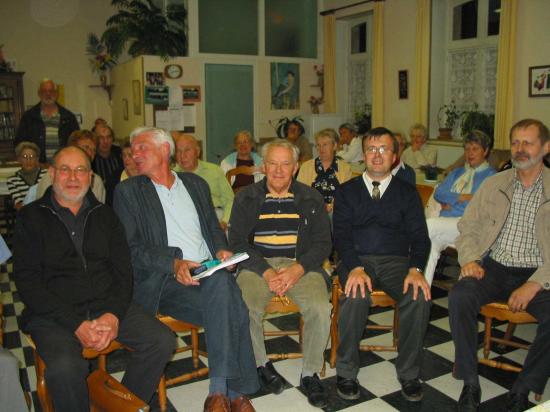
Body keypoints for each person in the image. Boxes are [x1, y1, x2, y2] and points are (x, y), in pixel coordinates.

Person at [13, 146, 175, 411]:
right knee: (67, 368)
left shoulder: (106, 216)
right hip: (53, 314)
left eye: (80, 170)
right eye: (65, 170)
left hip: (105, 304)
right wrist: (76, 323)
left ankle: (117, 405)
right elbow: (27, 282)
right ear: (52, 173)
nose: (73, 177)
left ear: (91, 177)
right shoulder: (30, 217)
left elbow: (124, 274)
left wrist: (112, 315)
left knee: (161, 340)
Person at [113, 127, 258, 412]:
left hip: (208, 271)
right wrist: (174, 263)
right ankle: (235, 393)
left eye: (142, 147)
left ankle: (219, 394)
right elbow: (132, 250)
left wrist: (220, 251)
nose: (134, 154)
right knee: (232, 303)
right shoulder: (128, 192)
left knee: (221, 287)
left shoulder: (195, 184)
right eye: (132, 150)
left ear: (164, 151)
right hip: (164, 280)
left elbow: (213, 230)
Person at [449, 118, 550, 412]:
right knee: (460, 296)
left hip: (538, 273)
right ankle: (470, 381)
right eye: (515, 142)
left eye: (527, 143)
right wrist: (470, 258)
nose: (519, 149)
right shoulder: (494, 184)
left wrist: (535, 283)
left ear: (545, 147)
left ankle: (524, 387)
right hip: (492, 267)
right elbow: (467, 226)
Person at [228, 139, 332, 409]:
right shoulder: (245, 197)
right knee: (246, 307)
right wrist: (265, 271)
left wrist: (297, 269)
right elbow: (237, 242)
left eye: (285, 164)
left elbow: (323, 243)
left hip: (301, 263)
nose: (278, 170)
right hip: (256, 264)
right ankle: (261, 365)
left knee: (321, 308)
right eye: (272, 163)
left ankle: (309, 373)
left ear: (296, 167)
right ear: (263, 166)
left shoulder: (311, 196)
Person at [332, 127, 431, 403]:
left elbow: (421, 238)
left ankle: (409, 373)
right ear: (363, 154)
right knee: (355, 294)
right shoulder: (346, 191)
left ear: (394, 156)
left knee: (418, 295)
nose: (377, 155)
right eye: (371, 149)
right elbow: (340, 235)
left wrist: (416, 270)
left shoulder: (407, 193)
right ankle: (347, 371)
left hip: (397, 262)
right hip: (356, 259)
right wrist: (353, 267)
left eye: (383, 149)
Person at [423, 131, 495, 285]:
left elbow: (478, 205)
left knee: (427, 227)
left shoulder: (491, 176)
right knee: (430, 247)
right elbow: (439, 193)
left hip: (469, 225)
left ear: (486, 151)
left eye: (475, 149)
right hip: (448, 224)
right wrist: (462, 197)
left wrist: (452, 203)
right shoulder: (457, 172)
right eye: (467, 149)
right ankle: (421, 296)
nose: (470, 153)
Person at [173, 133, 234, 230]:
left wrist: (225, 221)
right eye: (178, 151)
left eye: (187, 150)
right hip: (186, 220)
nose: (182, 156)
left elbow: (230, 200)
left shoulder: (214, 170)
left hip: (215, 216)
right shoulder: (172, 175)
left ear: (197, 152)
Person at [15, 79, 79, 163]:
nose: (48, 94)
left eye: (51, 91)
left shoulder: (68, 117)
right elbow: (19, 144)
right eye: (44, 91)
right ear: (39, 94)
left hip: (63, 165)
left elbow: (77, 143)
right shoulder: (29, 117)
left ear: (56, 94)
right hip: (36, 166)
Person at [33, 130, 106, 203]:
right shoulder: (52, 176)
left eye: (93, 150)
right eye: (86, 147)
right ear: (72, 147)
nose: (90, 153)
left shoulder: (96, 181)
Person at [297, 128, 352, 212]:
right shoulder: (306, 167)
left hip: (337, 212)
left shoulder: (345, 168)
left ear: (334, 146)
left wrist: (330, 207)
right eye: (318, 145)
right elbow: (300, 193)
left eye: (325, 144)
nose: (321, 148)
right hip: (312, 212)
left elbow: (347, 196)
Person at [7, 141, 47, 210]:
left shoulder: (46, 174)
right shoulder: (12, 180)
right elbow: (18, 204)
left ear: (37, 159)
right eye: (24, 157)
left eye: (32, 156)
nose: (28, 160)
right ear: (19, 159)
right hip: (27, 213)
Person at [92, 123, 123, 205]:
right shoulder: (91, 158)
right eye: (101, 138)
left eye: (108, 137)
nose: (105, 141)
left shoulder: (120, 154)